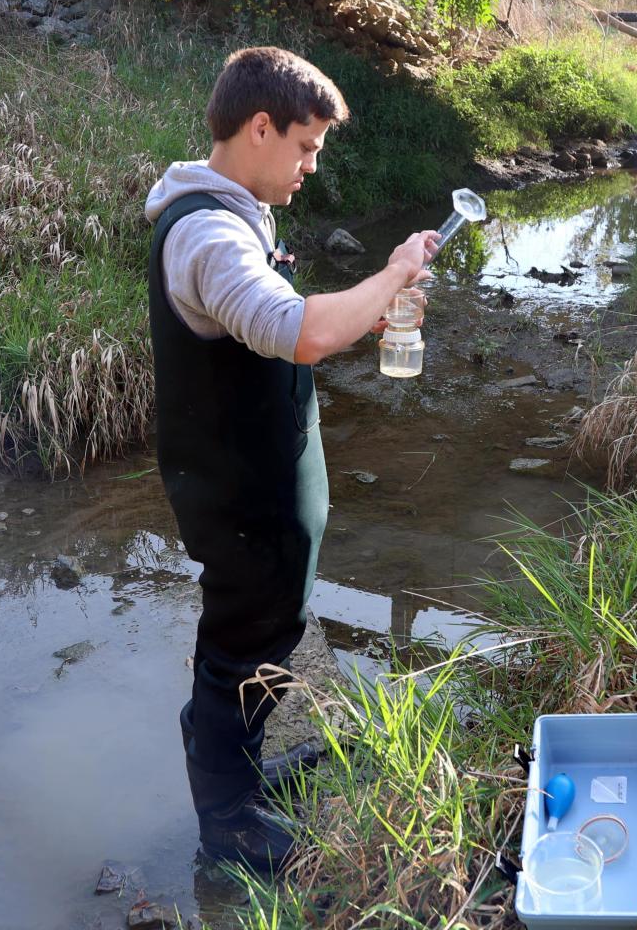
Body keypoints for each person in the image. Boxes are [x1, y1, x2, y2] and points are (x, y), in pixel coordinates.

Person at [143, 46, 438, 872]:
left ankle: (237, 760)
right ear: (260, 126)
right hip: (236, 491)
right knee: (243, 637)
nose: (312, 165)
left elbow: (287, 327)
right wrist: (389, 277)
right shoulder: (206, 232)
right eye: (305, 147)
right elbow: (300, 330)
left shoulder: (238, 210)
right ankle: (227, 823)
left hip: (259, 481)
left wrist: (371, 305)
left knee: (276, 622)